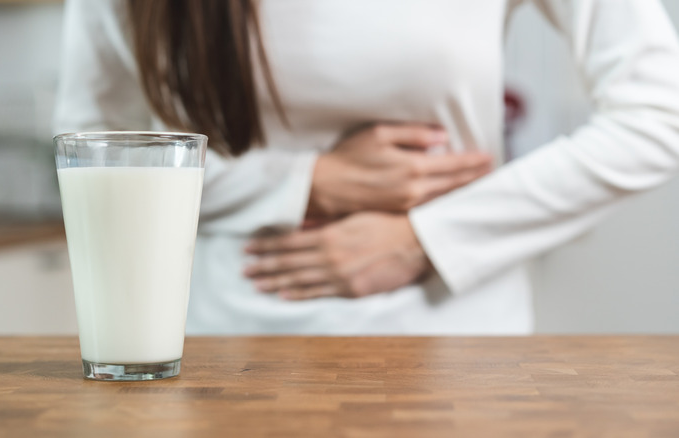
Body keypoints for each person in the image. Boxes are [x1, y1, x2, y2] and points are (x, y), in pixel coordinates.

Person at [55, 0, 679, 335]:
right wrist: (305, 182)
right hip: (228, 347)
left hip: (456, 347)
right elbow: (92, 151)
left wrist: (425, 240)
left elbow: (660, 114)